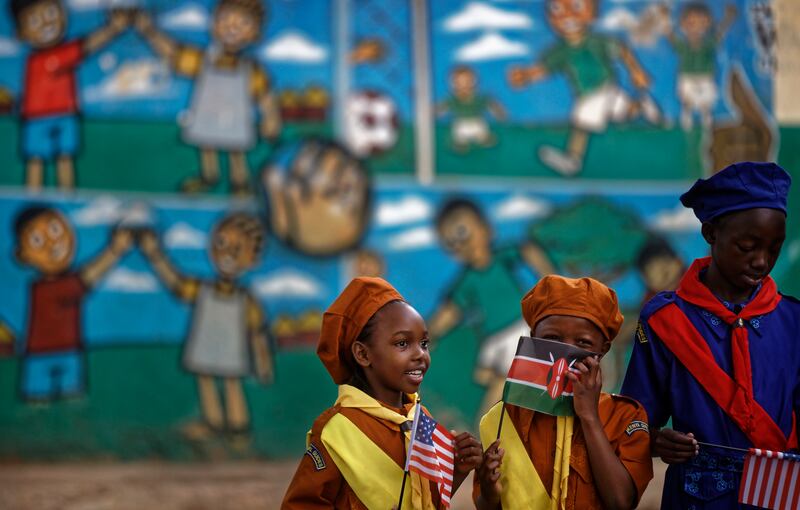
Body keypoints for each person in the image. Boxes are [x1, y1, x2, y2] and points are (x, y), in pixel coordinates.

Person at [621, 161, 800, 509]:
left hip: (780, 496)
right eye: (747, 247)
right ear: (710, 233)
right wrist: (658, 441)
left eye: (774, 248)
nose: (762, 261)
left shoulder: (794, 320)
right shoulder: (665, 320)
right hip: (696, 499)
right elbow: (636, 421)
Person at [282, 277, 482, 509]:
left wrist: (456, 470)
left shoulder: (418, 417)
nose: (420, 354)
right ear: (363, 354)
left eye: (424, 343)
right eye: (402, 344)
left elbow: (426, 502)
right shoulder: (337, 432)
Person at [475, 275, 653, 510]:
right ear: (533, 339)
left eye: (583, 343)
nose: (564, 354)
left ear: (603, 350)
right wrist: (489, 494)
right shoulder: (503, 418)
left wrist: (589, 416)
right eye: (552, 339)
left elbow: (621, 502)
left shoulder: (624, 416)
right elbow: (488, 503)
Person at [139, 213, 272, 441]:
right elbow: (176, 284)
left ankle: (238, 429)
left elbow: (257, 329)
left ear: (253, 260)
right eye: (221, 243)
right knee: (206, 380)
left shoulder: (245, 298)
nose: (227, 254)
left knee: (232, 383)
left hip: (232, 350)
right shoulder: (202, 289)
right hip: (205, 345)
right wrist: (155, 254)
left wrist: (263, 360)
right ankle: (213, 422)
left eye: (238, 249)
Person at [134, 0, 281, 194]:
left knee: (236, 148)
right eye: (225, 19)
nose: (232, 27)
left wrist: (270, 118)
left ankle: (240, 181)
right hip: (207, 116)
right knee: (207, 145)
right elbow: (174, 54)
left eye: (243, 23)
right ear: (213, 24)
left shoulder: (251, 69)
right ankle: (209, 176)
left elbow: (264, 95)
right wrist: (149, 31)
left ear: (256, 34)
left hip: (234, 118)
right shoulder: (203, 60)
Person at [507, 0, 659, 177]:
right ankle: (641, 105)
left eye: (576, 7)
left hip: (602, 88)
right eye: (557, 9)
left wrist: (636, 71)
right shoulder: (560, 50)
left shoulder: (597, 41)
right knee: (623, 113)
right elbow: (545, 69)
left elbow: (622, 50)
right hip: (594, 93)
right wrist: (526, 76)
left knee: (582, 120)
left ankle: (572, 160)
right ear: (550, 18)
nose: (567, 15)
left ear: (592, 13)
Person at [14, 205, 133, 401]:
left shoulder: (50, 285)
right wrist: (115, 250)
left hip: (69, 351)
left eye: (55, 230)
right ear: (22, 255)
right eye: (37, 240)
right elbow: (85, 279)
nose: (52, 243)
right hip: (41, 354)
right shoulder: (45, 289)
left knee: (70, 399)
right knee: (39, 400)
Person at [11, 0, 131, 189]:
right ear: (20, 33)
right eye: (34, 21)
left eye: (51, 13)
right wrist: (113, 29)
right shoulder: (46, 59)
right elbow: (84, 47)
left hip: (64, 115)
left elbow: (82, 48)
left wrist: (113, 28)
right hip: (38, 117)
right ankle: (33, 193)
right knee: (37, 158)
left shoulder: (45, 57)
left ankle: (66, 192)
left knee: (64, 156)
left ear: (64, 14)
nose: (46, 24)